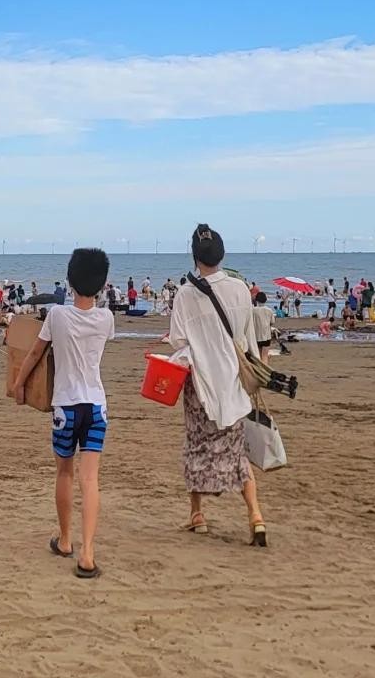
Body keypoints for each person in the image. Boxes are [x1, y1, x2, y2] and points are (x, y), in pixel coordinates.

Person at [12, 247, 113, 580]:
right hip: (95, 405)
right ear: (103, 285)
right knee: (91, 478)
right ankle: (88, 553)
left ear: (69, 281)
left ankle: (67, 540)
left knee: (65, 472)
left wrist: (19, 384)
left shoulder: (57, 315)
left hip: (65, 406)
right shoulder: (107, 319)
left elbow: (34, 354)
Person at [168, 224, 266, 547]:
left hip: (200, 383)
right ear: (221, 254)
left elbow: (179, 341)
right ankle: (255, 516)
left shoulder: (185, 294)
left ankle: (197, 514)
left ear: (195, 257)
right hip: (233, 381)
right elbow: (247, 338)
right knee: (237, 450)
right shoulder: (240, 289)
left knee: (196, 445)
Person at [251, 291, 276, 364]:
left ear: (256, 300)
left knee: (258, 356)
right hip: (266, 336)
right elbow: (272, 322)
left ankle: (259, 369)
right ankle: (265, 369)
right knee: (265, 356)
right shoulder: (269, 310)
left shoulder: (253, 310)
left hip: (256, 336)